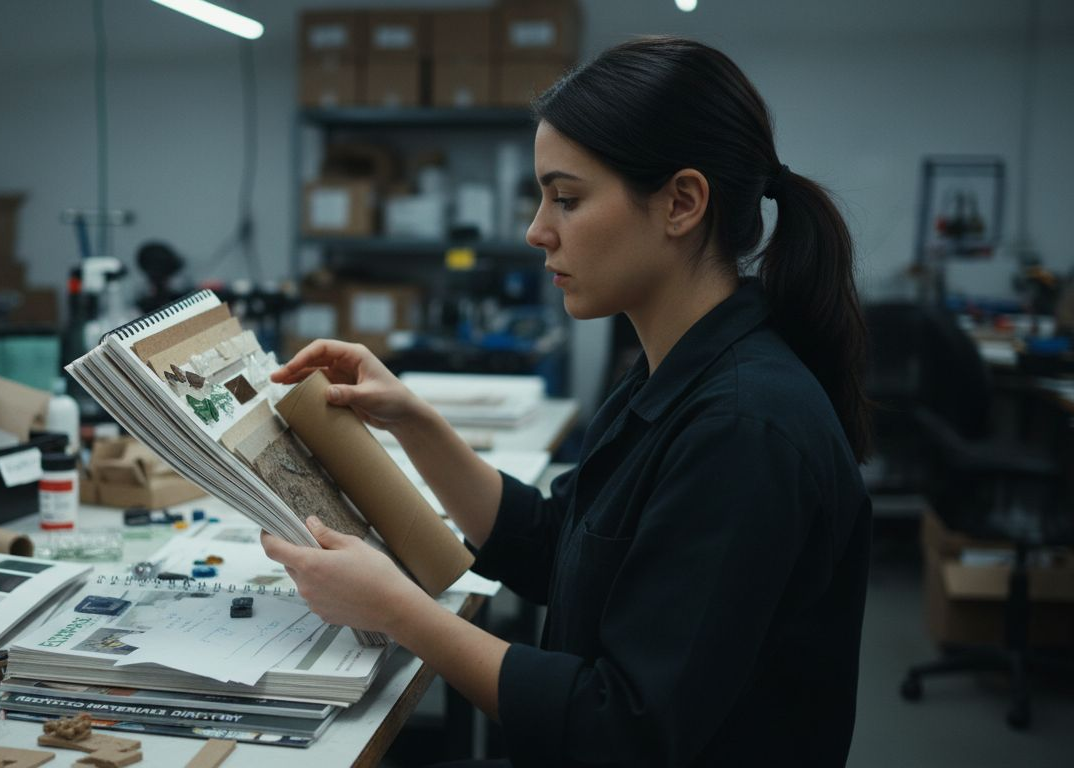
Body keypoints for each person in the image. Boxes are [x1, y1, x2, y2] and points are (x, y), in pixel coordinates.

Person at [262, 36, 872, 768]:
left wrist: (397, 609)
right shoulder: (670, 371)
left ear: (681, 203)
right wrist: (414, 420)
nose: (536, 230)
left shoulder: (743, 429)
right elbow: (558, 547)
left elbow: (624, 730)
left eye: (568, 199)